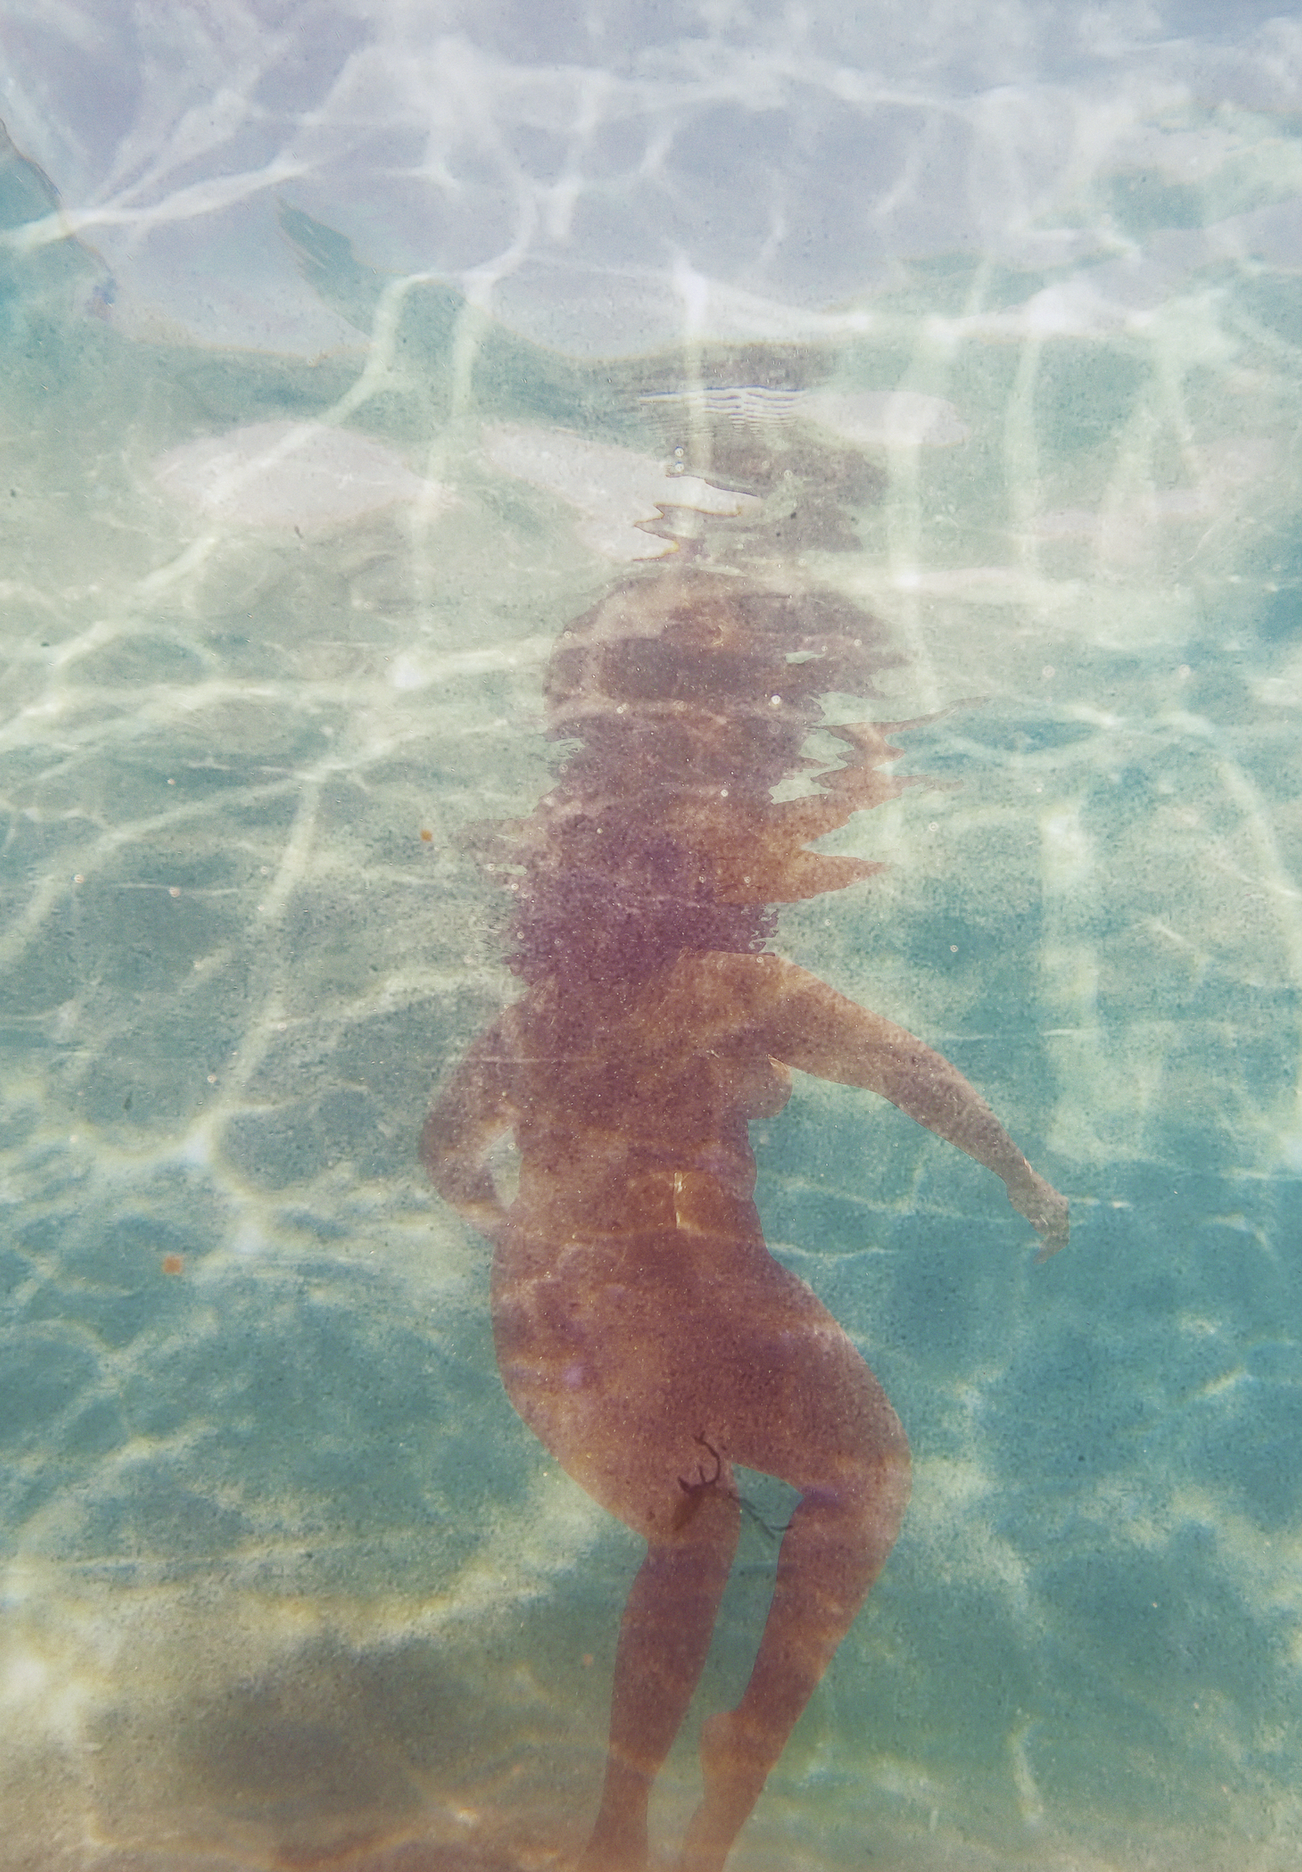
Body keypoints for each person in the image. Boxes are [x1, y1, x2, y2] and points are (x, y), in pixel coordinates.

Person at [423, 567, 1068, 1872]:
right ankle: (726, 1784)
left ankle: (628, 1826)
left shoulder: (532, 1020)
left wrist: (507, 1226)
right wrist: (1019, 1173)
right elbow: (914, 1073)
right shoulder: (735, 981)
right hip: (668, 1295)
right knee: (853, 1480)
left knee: (699, 1518)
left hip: (567, 1316)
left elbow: (443, 1152)